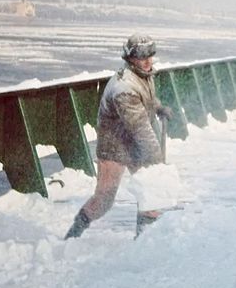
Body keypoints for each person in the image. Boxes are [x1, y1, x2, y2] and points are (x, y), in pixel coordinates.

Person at [65, 34, 173, 239]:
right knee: (104, 200)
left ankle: (143, 240)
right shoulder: (123, 88)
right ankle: (74, 234)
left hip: (133, 144)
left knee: (150, 192)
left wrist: (158, 108)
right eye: (142, 56)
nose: (147, 60)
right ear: (130, 58)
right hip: (114, 147)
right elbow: (139, 127)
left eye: (150, 54)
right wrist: (157, 161)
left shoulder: (143, 75)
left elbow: (146, 98)